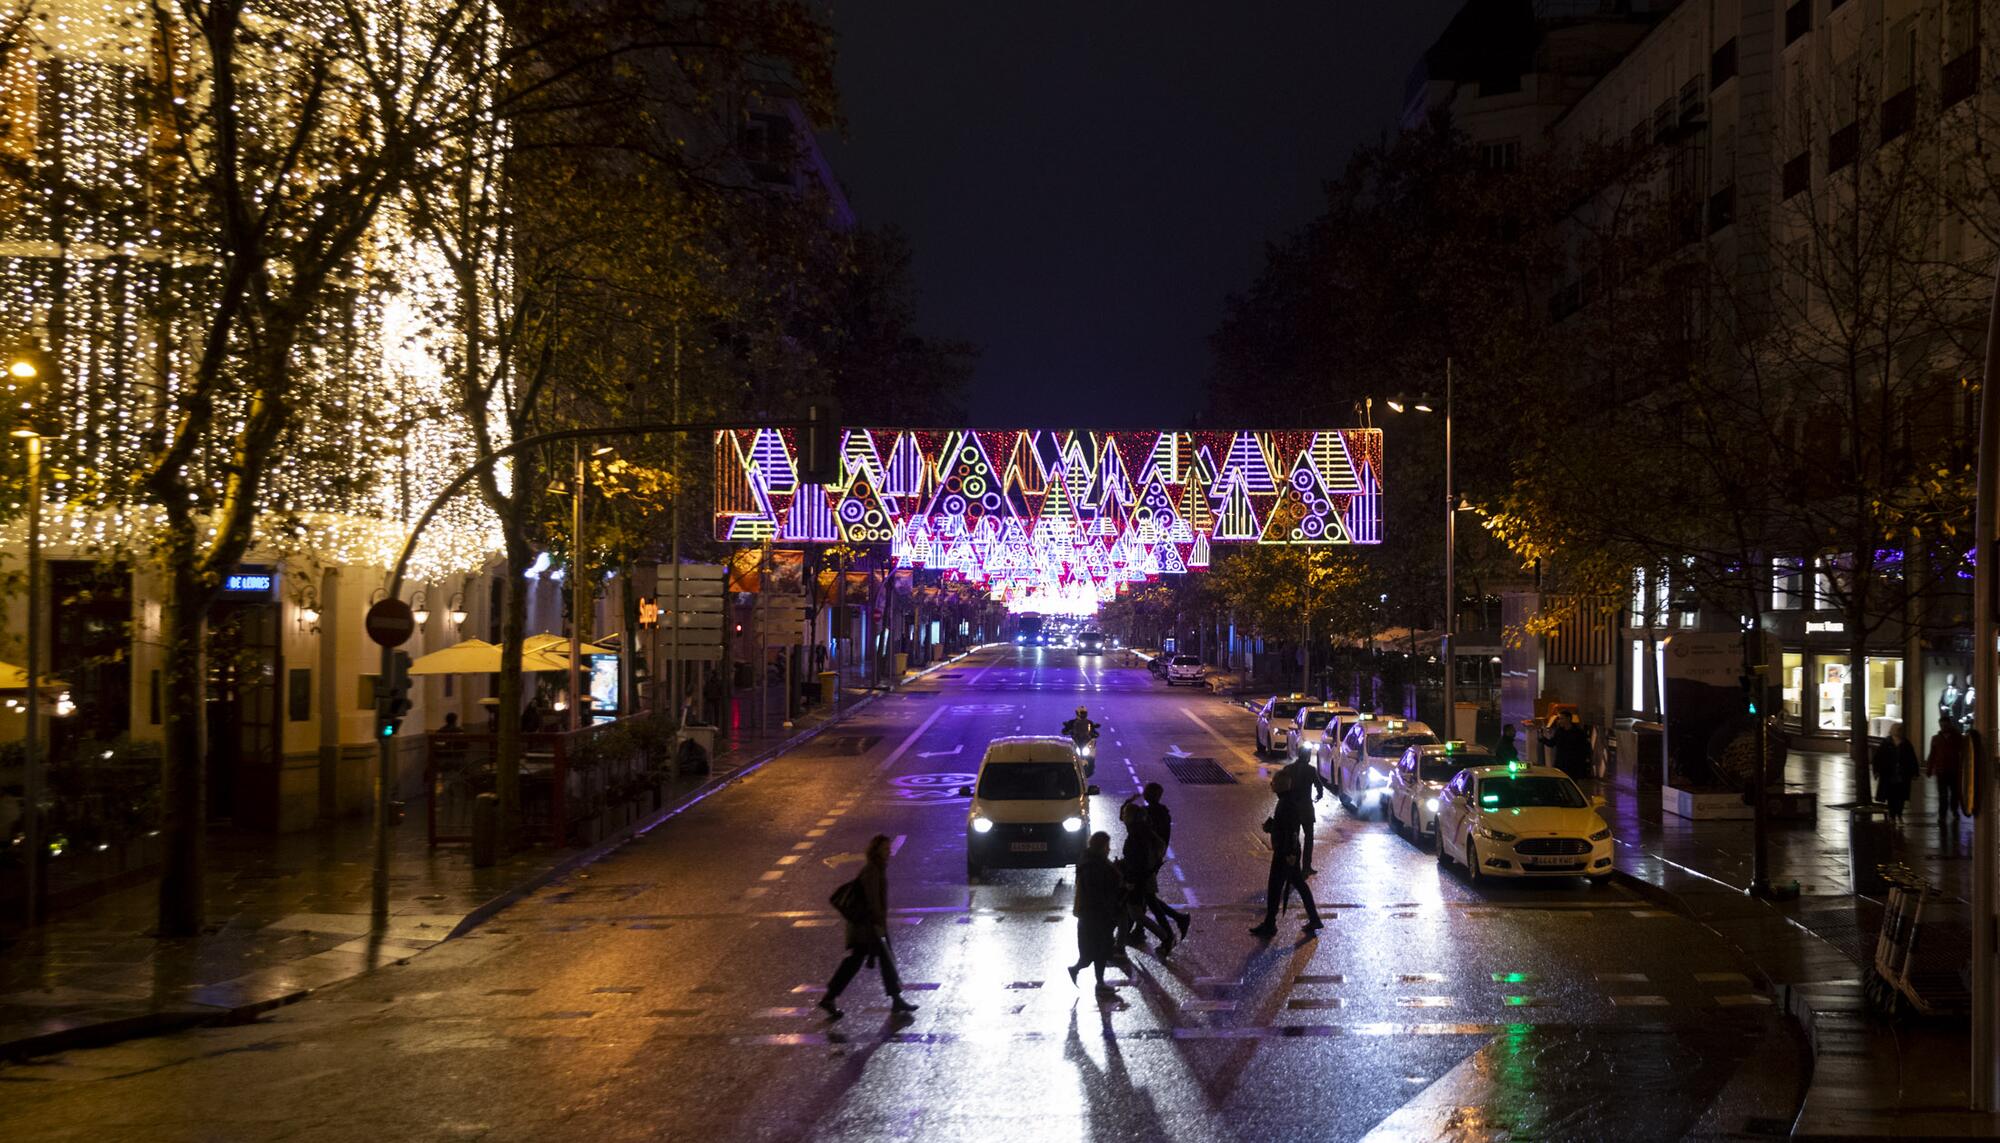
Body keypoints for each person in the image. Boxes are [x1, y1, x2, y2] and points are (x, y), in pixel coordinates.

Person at [819, 835, 918, 1019]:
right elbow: (873, 901)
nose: (889, 852)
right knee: (868, 962)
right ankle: (830, 996)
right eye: (885, 849)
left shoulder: (876, 868)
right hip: (867, 927)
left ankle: (895, 999)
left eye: (889, 849)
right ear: (876, 851)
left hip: (867, 926)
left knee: (864, 962)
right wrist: (879, 924)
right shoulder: (872, 871)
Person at [1249, 797, 1323, 938]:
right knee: (1295, 885)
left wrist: (1290, 853)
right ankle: (1313, 919)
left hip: (1285, 853)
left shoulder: (1286, 803)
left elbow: (1291, 830)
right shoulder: (1286, 801)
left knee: (1275, 887)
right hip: (1287, 852)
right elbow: (1287, 828)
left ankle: (1270, 925)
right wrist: (1273, 827)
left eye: (1275, 783)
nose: (1272, 785)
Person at [1116, 798, 1175, 955]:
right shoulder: (1139, 831)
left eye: (1125, 814)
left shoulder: (1136, 836)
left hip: (1138, 879)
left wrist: (1129, 879)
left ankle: (1166, 938)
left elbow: (1138, 861)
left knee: (1137, 913)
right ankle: (1125, 940)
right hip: (1141, 877)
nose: (1122, 817)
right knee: (1142, 908)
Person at [1068, 832, 1122, 993]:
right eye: (1106, 846)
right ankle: (1098, 983)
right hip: (1095, 914)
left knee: (1094, 953)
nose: (1109, 849)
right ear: (1101, 847)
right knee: (1098, 952)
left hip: (1092, 914)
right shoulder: (1094, 866)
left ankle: (1088, 976)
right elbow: (1099, 890)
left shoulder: (1091, 862)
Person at [1141, 783, 1192, 941]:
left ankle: (1172, 928)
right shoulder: (1162, 813)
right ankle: (1139, 928)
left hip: (1149, 859)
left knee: (1146, 895)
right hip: (1154, 858)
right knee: (1144, 895)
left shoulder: (1149, 814)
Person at [1278, 750, 1333, 874]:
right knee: (1309, 837)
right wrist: (1319, 796)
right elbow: (1319, 787)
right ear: (1307, 756)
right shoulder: (1311, 770)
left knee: (1293, 838)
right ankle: (1306, 867)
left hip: (1292, 809)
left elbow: (1280, 785)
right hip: (1306, 809)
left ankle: (1293, 866)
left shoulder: (1288, 769)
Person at [1871, 723, 1919, 824]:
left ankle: (1899, 814)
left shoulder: (1906, 743)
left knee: (1900, 796)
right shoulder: (1886, 743)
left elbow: (1912, 759)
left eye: (1901, 730)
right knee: (1891, 796)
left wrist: (1914, 772)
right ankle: (1892, 815)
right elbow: (1878, 758)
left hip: (1902, 774)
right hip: (1889, 774)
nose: (1899, 732)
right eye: (1898, 730)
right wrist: (1876, 771)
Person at [1928, 720, 1965, 824]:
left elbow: (1962, 750)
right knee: (1943, 795)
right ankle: (1943, 815)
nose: (1943, 727)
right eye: (1942, 725)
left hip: (1953, 770)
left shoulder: (1956, 737)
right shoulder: (1936, 739)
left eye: (1945, 725)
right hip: (1942, 771)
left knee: (1954, 794)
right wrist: (1930, 768)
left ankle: (1954, 811)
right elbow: (1932, 754)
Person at [1543, 713, 1591, 782]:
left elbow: (1584, 748)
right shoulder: (1559, 731)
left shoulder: (1578, 733)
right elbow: (1552, 743)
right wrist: (1543, 739)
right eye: (1559, 719)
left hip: (1573, 765)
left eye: (1562, 718)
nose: (1559, 721)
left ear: (1568, 719)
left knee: (1572, 782)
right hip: (1561, 764)